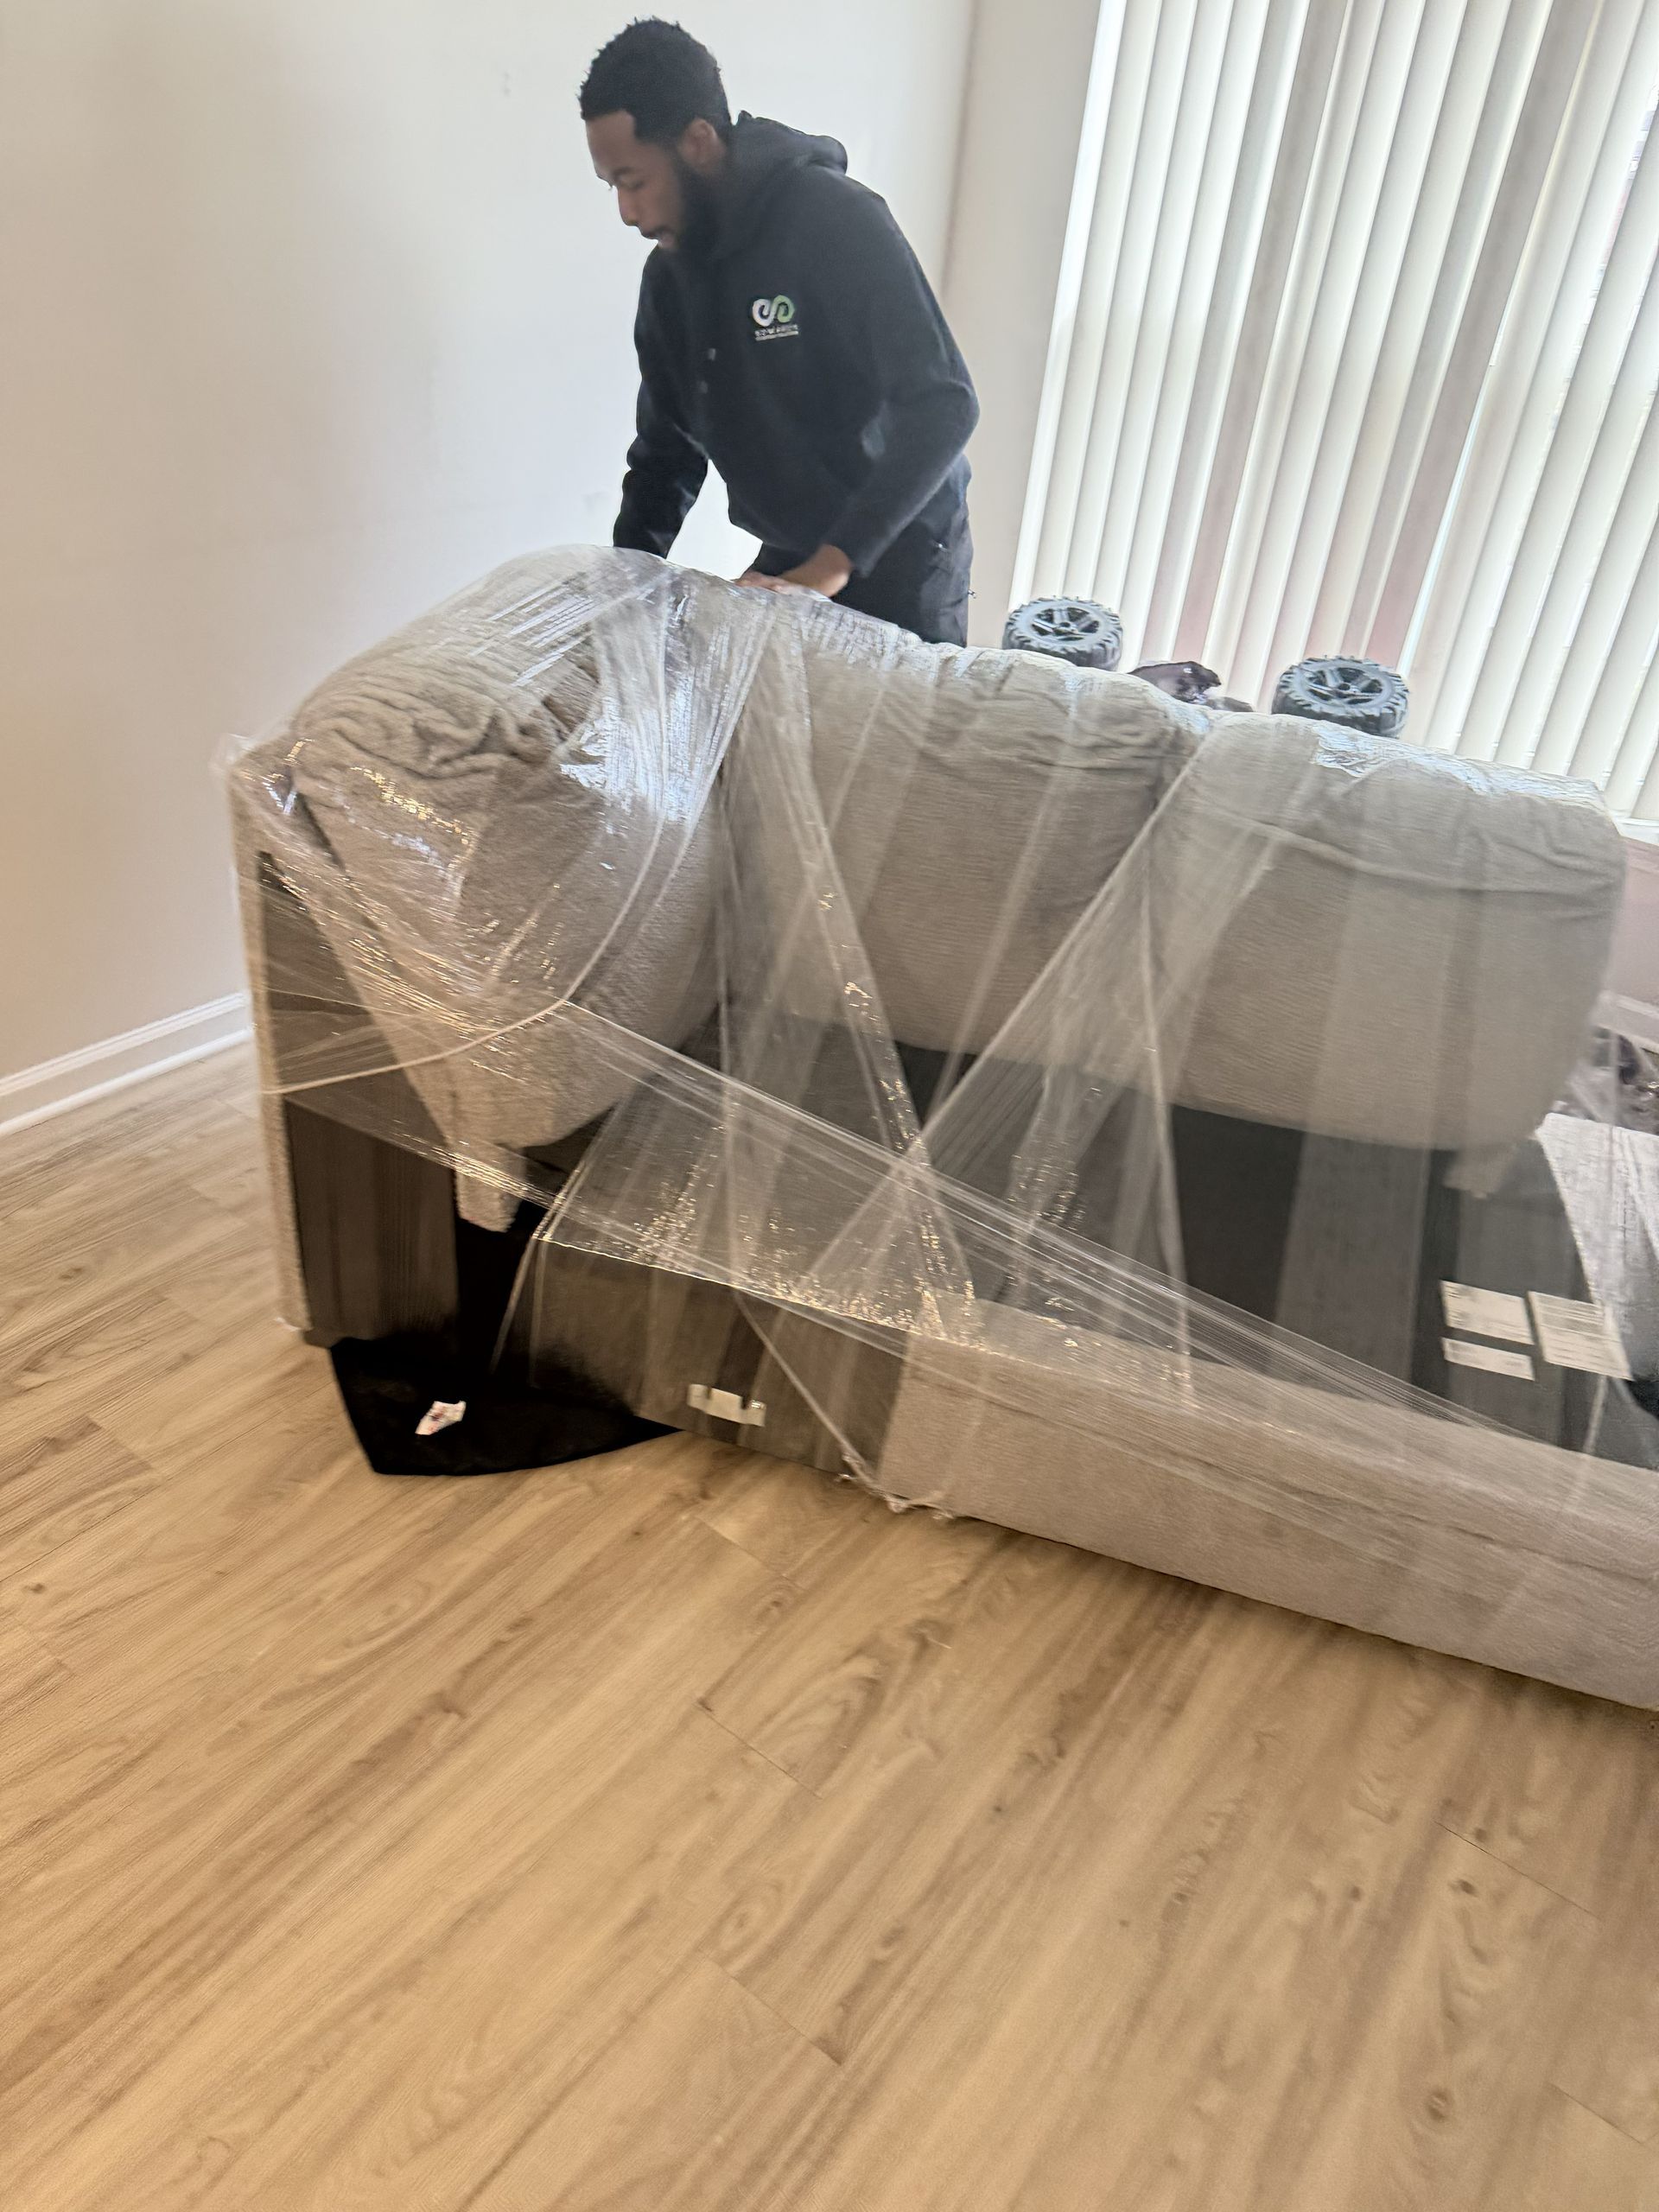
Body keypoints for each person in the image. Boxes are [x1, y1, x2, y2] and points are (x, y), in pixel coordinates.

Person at [580, 19, 979, 645]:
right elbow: (666, 455)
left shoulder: (836, 220)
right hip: (794, 554)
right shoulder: (668, 282)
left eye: (635, 182)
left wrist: (824, 572)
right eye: (613, 188)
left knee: (891, 744)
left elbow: (944, 405)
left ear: (699, 142)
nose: (627, 213)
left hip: (900, 554)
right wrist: (622, 591)